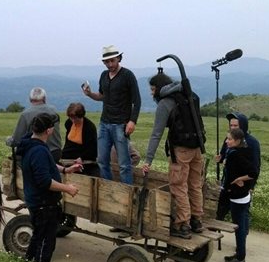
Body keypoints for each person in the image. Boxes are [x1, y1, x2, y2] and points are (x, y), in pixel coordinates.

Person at [142, 73, 206, 239]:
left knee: (178, 186)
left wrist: (148, 160)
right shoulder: (189, 94)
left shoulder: (165, 103)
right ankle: (197, 220)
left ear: (160, 87)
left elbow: (156, 134)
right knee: (194, 184)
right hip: (197, 148)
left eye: (153, 89)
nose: (152, 93)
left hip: (181, 150)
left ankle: (182, 224)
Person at [16, 113, 81, 262]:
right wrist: (68, 188)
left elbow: (48, 165)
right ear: (49, 131)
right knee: (46, 243)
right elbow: (45, 181)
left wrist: (66, 169)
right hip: (43, 204)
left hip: (38, 202)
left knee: (38, 237)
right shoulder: (38, 151)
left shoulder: (30, 144)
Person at [82, 45, 141, 184]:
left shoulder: (128, 75)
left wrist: (132, 121)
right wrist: (90, 94)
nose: (110, 64)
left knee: (124, 164)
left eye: (112, 61)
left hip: (121, 124)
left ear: (119, 58)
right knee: (102, 161)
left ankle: (127, 193)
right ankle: (109, 189)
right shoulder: (103, 75)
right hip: (104, 123)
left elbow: (137, 101)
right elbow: (102, 96)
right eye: (106, 62)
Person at [215, 112, 261, 221]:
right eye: (231, 125)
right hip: (227, 183)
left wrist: (251, 186)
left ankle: (242, 235)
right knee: (219, 213)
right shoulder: (229, 139)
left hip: (243, 185)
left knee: (242, 216)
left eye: (236, 126)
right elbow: (224, 157)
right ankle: (215, 234)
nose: (233, 128)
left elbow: (256, 166)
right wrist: (220, 159)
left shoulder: (253, 143)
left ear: (243, 126)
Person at [222, 128, 257, 262]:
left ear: (237, 141)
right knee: (240, 226)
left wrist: (238, 179)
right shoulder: (244, 151)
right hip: (243, 195)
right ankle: (239, 255)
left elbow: (253, 172)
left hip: (238, 197)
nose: (226, 141)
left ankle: (241, 258)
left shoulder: (236, 154)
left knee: (239, 228)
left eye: (229, 139)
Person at [7, 87, 62, 162]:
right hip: (55, 153)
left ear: (30, 99)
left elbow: (17, 141)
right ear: (45, 98)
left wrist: (8, 140)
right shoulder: (53, 110)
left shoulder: (25, 114)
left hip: (36, 155)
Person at [61, 102, 99, 176]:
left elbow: (93, 149)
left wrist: (82, 158)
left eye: (75, 118)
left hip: (83, 155)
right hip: (68, 155)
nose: (73, 120)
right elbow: (67, 142)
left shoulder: (89, 127)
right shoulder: (68, 123)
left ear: (81, 116)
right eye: (71, 118)